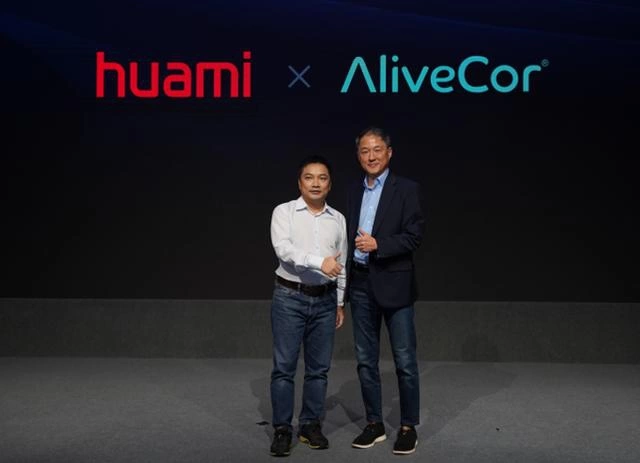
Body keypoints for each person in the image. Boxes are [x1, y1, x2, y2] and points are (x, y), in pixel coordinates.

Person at [346, 127, 425, 455]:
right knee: (365, 360)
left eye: (377, 149)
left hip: (395, 283)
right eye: (365, 150)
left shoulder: (406, 189)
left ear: (389, 153)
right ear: (358, 155)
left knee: (404, 360)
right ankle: (374, 423)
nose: (371, 156)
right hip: (360, 283)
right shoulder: (353, 190)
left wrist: (379, 244)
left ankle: (408, 426)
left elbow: (414, 236)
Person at [268, 155, 347, 457]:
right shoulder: (284, 212)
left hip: (326, 300)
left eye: (322, 178)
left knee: (319, 370)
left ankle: (310, 425)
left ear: (330, 184)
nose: (316, 183)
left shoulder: (338, 219)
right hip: (290, 297)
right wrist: (318, 262)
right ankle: (282, 428)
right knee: (284, 367)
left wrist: (339, 302)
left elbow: (342, 263)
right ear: (299, 182)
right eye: (309, 177)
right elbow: (284, 250)